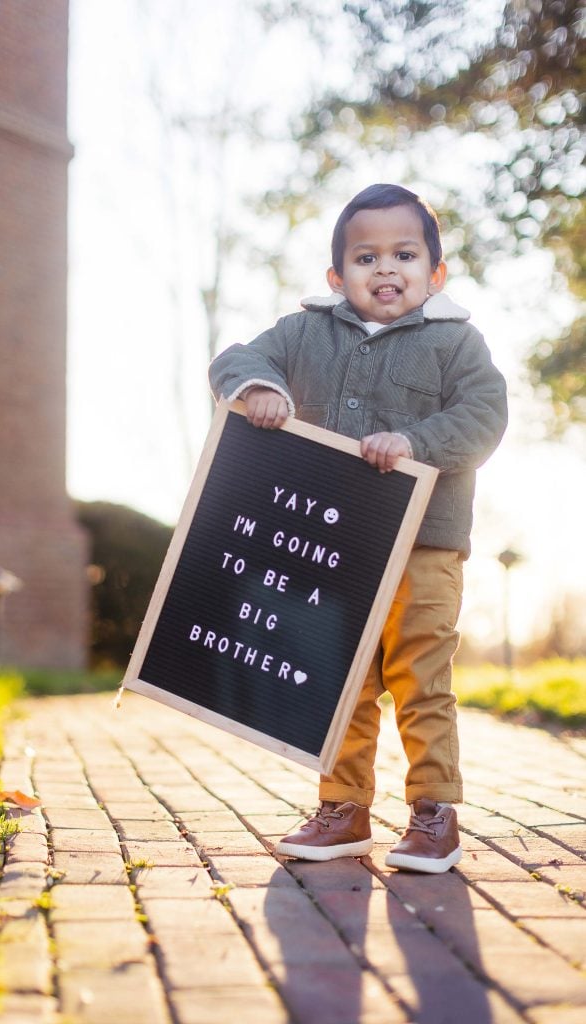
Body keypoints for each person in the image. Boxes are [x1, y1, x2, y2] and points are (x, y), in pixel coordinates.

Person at [208, 183, 507, 873]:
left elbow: (482, 415)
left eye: (403, 254)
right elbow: (235, 359)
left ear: (435, 274)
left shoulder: (455, 342)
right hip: (333, 545)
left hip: (423, 543)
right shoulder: (303, 332)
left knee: (420, 674)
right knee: (338, 677)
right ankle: (342, 807)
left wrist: (411, 441)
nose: (384, 269)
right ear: (337, 276)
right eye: (365, 257)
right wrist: (260, 389)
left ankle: (434, 811)